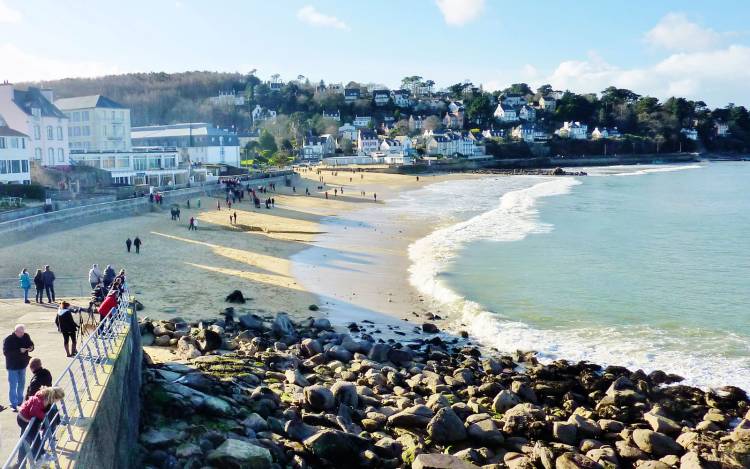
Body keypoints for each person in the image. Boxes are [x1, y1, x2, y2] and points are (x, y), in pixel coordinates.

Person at [16, 386, 65, 465]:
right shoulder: (40, 400)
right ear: (54, 397)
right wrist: (43, 417)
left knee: (35, 436)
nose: (57, 402)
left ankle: (40, 455)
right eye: (58, 400)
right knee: (35, 437)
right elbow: (33, 412)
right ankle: (39, 457)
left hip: (28, 418)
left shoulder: (44, 397)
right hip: (23, 419)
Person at [3, 324, 34, 411]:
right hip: (12, 366)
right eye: (20, 332)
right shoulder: (8, 340)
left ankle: (20, 401)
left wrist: (31, 348)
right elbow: (6, 353)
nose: (22, 334)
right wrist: (19, 351)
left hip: (22, 364)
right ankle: (13, 404)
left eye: (23, 332)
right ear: (15, 331)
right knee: (13, 385)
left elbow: (31, 344)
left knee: (22, 383)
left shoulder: (26, 336)